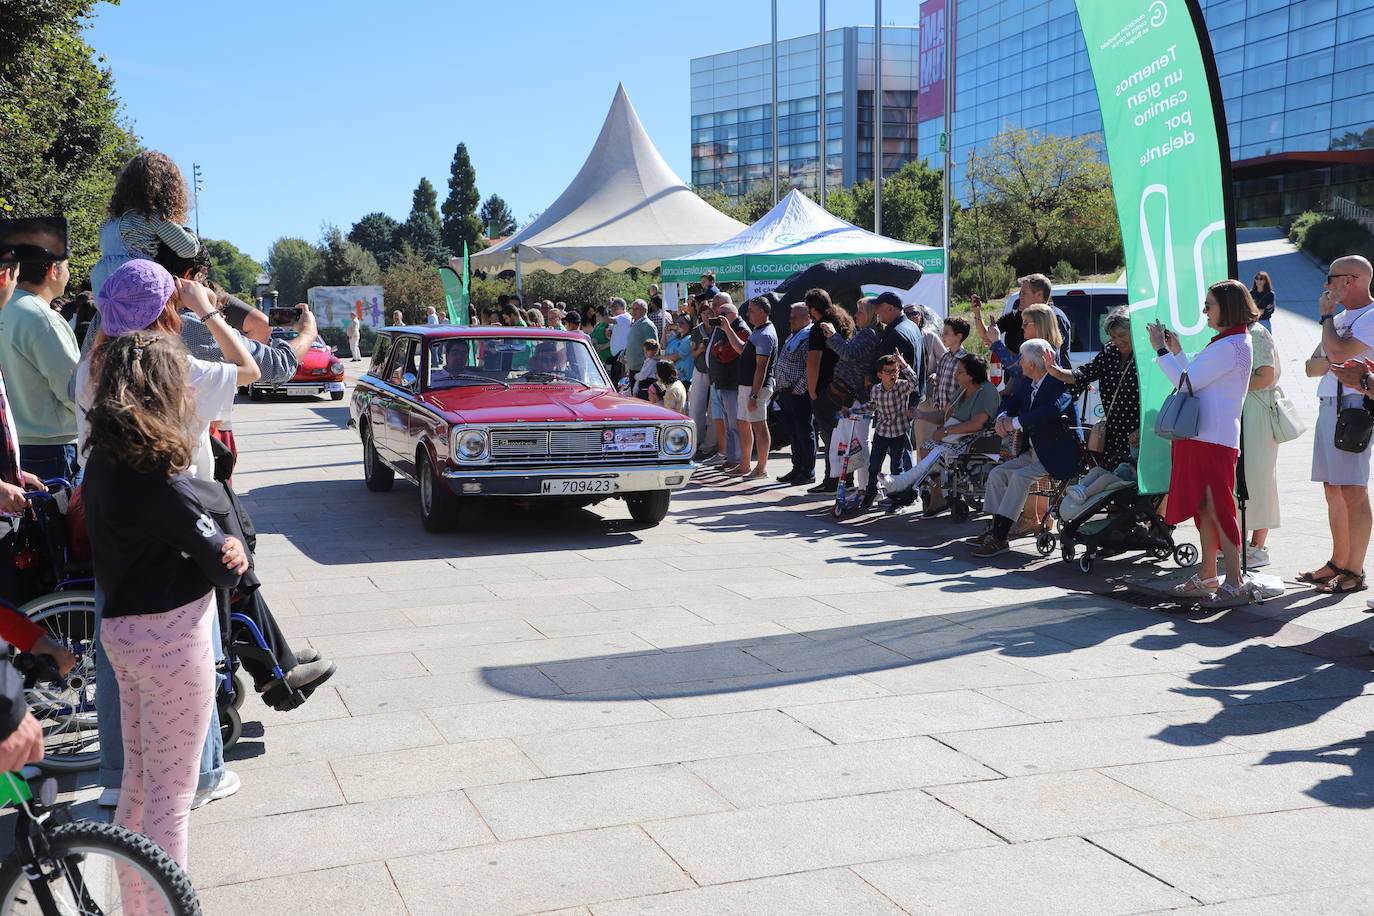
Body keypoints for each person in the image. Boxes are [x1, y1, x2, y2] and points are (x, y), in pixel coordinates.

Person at [78, 260, 260, 811]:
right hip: (179, 514)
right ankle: (201, 772)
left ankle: (118, 772)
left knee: (118, 661)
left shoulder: (91, 366)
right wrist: (205, 306)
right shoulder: (177, 368)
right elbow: (249, 367)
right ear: (165, 310)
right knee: (191, 658)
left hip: (109, 516)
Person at [1148, 279, 1258, 606]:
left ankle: (1234, 580)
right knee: (1206, 507)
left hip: (1213, 439)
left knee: (1218, 507)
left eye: (1209, 304)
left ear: (1228, 307)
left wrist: (1161, 350)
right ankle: (1209, 574)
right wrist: (1178, 353)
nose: (1204, 310)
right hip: (1205, 436)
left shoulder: (1231, 344)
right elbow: (1195, 379)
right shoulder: (1229, 342)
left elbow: (1186, 383)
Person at [1301, 255, 1374, 596]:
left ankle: (1355, 571)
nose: (1326, 284)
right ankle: (1338, 561)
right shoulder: (1343, 318)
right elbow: (1312, 367)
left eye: (1331, 277)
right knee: (1333, 487)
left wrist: (1328, 321)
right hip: (1330, 403)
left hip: (1354, 407)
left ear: (1350, 280)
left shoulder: (1370, 317)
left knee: (1352, 489)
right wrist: (1333, 348)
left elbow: (1336, 354)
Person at [971, 339, 1081, 559]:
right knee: (997, 474)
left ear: (1032, 363)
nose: (1019, 362)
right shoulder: (1027, 382)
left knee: (1020, 477)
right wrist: (1003, 417)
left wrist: (1015, 422)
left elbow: (1051, 410)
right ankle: (994, 530)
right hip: (1033, 453)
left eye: (1022, 358)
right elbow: (1011, 402)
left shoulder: (1056, 382)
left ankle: (1000, 538)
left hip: (1055, 454)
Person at [0, 222, 81, 480]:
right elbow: (73, 389)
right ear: (53, 270)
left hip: (12, 439)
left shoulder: (7, 306)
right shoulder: (42, 318)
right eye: (67, 266)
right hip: (52, 445)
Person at [885, 353, 1001, 512]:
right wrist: (921, 415)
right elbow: (944, 416)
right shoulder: (962, 390)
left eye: (960, 372)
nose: (956, 375)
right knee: (927, 448)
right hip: (957, 439)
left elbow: (978, 423)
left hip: (975, 441)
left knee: (937, 451)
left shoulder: (986, 391)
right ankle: (936, 493)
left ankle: (905, 482)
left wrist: (946, 431)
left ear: (972, 375)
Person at [90, 151, 200, 299]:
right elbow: (188, 249)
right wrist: (190, 233)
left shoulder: (109, 223)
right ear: (167, 188)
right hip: (137, 285)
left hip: (103, 288)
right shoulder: (151, 218)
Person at [1045, 307, 1138, 466]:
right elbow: (1086, 373)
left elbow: (1157, 398)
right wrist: (1058, 373)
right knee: (1111, 483)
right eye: (1112, 337)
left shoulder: (1145, 356)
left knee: (1132, 485)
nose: (1117, 341)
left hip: (1138, 436)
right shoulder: (1110, 351)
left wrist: (1143, 430)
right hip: (1113, 434)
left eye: (1122, 335)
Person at [817, 297, 877, 493]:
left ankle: (866, 486)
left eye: (860, 312)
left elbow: (849, 354)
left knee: (860, 442)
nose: (856, 315)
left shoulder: (868, 334)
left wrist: (833, 336)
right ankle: (863, 486)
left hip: (858, 395)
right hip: (853, 395)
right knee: (857, 442)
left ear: (869, 314)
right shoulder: (865, 332)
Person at [1239, 320, 1282, 568]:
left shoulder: (1256, 332)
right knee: (1244, 478)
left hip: (1257, 410)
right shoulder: (1243, 332)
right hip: (1246, 409)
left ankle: (1258, 546)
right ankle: (1243, 543)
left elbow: (1265, 375)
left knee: (1259, 478)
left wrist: (1232, 385)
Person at [719, 297, 777, 478]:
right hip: (747, 387)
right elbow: (742, 349)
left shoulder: (766, 334)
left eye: (751, 310)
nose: (747, 314)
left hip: (755, 388)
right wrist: (728, 329)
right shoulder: (758, 331)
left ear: (761, 312)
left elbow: (762, 367)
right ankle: (745, 465)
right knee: (743, 424)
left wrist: (754, 395)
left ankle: (761, 468)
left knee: (759, 426)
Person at [806, 290, 852, 489]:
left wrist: (811, 389)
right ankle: (846, 479)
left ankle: (832, 480)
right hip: (843, 387)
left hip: (826, 388)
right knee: (843, 436)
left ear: (812, 308)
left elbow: (814, 361)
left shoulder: (819, 327)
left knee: (830, 436)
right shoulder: (842, 321)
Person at [863, 354, 918, 509]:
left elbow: (914, 381)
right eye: (888, 371)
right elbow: (871, 406)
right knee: (874, 466)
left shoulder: (901, 386)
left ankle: (897, 499)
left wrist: (904, 364)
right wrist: (853, 411)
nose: (892, 374)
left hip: (898, 433)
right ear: (879, 374)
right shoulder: (876, 390)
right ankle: (871, 492)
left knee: (896, 467)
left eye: (895, 371)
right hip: (881, 433)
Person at [774, 303, 816, 484]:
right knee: (793, 433)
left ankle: (807, 471)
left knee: (804, 432)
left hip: (798, 394)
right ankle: (797, 468)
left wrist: (798, 390)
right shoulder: (794, 335)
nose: (790, 320)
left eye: (794, 317)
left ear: (807, 318)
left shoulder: (807, 336)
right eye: (790, 317)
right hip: (786, 393)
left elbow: (810, 368)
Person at [703, 298, 747, 468]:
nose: (719, 317)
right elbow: (715, 350)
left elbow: (728, 354)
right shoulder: (724, 329)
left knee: (735, 424)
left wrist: (721, 348)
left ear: (732, 314)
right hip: (723, 381)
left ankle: (737, 459)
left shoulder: (741, 329)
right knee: (729, 425)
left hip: (733, 382)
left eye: (722, 314)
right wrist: (720, 348)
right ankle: (731, 458)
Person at [688, 303, 718, 460]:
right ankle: (696, 440)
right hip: (700, 369)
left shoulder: (718, 328)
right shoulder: (696, 330)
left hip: (715, 371)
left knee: (713, 408)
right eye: (704, 313)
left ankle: (711, 442)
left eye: (709, 312)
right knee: (696, 406)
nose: (706, 316)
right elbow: (692, 354)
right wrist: (700, 349)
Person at [625, 299, 658, 377]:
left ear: (645, 310)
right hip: (633, 368)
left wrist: (646, 368)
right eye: (632, 308)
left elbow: (654, 348)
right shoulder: (635, 324)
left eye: (637, 309)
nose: (634, 311)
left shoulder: (648, 325)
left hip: (643, 370)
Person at [607, 297, 632, 381]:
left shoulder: (624, 317)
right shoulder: (619, 318)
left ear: (619, 308)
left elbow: (606, 319)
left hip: (622, 356)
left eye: (613, 308)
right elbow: (609, 334)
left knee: (620, 383)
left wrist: (606, 307)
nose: (612, 311)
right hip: (617, 356)